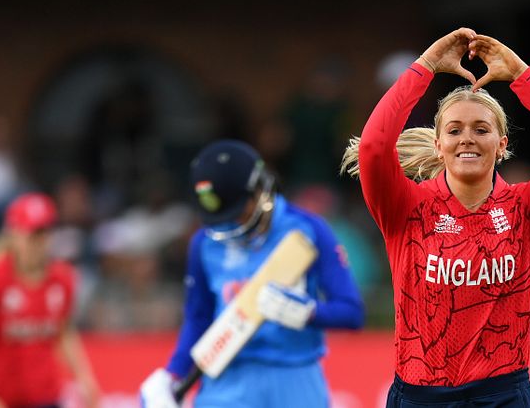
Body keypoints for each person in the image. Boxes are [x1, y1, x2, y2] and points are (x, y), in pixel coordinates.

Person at [341, 28, 530, 407]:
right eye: (454, 130)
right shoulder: (406, 207)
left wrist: (523, 76)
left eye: (481, 130)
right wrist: (425, 66)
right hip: (420, 395)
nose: (467, 139)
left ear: (502, 143)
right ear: (438, 144)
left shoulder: (528, 209)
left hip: (502, 393)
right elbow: (376, 148)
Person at [139, 140, 364, 408]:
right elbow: (198, 317)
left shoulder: (307, 229)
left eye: (236, 212)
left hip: (295, 373)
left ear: (259, 190)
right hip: (227, 376)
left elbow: (352, 313)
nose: (230, 224)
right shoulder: (205, 243)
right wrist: (172, 375)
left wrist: (306, 313)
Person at [0, 192, 100, 408]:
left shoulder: (63, 279)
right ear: (14, 235)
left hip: (45, 399)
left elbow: (63, 332)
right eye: (33, 234)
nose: (40, 242)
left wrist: (84, 377)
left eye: (45, 232)